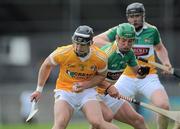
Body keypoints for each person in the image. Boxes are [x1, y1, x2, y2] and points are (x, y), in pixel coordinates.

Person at [93, 3, 172, 129]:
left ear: (143, 16)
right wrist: (118, 47)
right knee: (105, 114)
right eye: (131, 16)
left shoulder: (152, 31)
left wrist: (166, 63)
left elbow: (160, 48)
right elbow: (96, 40)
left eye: (137, 16)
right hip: (123, 78)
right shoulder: (120, 30)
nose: (134, 19)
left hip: (147, 77)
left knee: (163, 106)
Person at [30, 25, 121, 129]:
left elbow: (101, 76)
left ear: (90, 43)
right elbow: (46, 65)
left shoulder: (100, 57)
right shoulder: (63, 52)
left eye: (82, 45)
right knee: (60, 125)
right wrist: (38, 90)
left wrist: (85, 85)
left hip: (87, 91)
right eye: (76, 43)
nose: (78, 48)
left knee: (97, 123)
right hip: (65, 91)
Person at [91, 23, 150, 129]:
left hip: (106, 94)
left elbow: (137, 73)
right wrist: (109, 86)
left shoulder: (129, 53)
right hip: (92, 93)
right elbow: (91, 77)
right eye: (123, 40)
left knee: (138, 120)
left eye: (130, 41)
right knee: (106, 117)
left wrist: (142, 73)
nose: (126, 44)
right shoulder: (107, 54)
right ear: (117, 38)